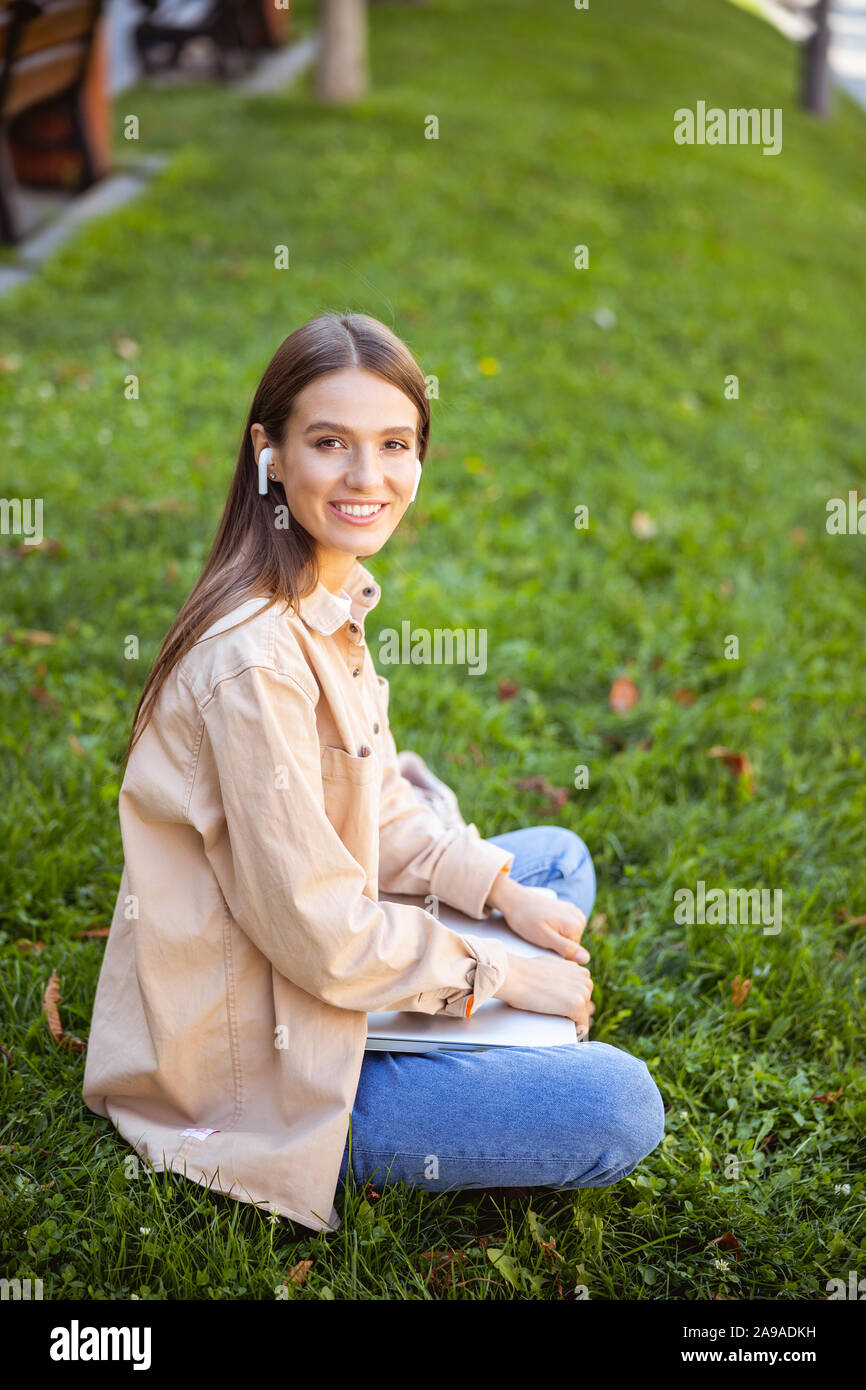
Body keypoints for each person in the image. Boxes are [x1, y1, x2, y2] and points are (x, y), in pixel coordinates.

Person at [82, 311, 664, 1233]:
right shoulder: (256, 660)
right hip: (257, 1065)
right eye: (329, 443)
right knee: (620, 1106)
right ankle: (496, 1046)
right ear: (269, 453)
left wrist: (497, 897)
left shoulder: (319, 589)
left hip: (311, 969)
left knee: (550, 863)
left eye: (394, 444)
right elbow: (321, 939)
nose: (368, 478)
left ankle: (493, 1023)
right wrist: (501, 978)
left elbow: (378, 801)